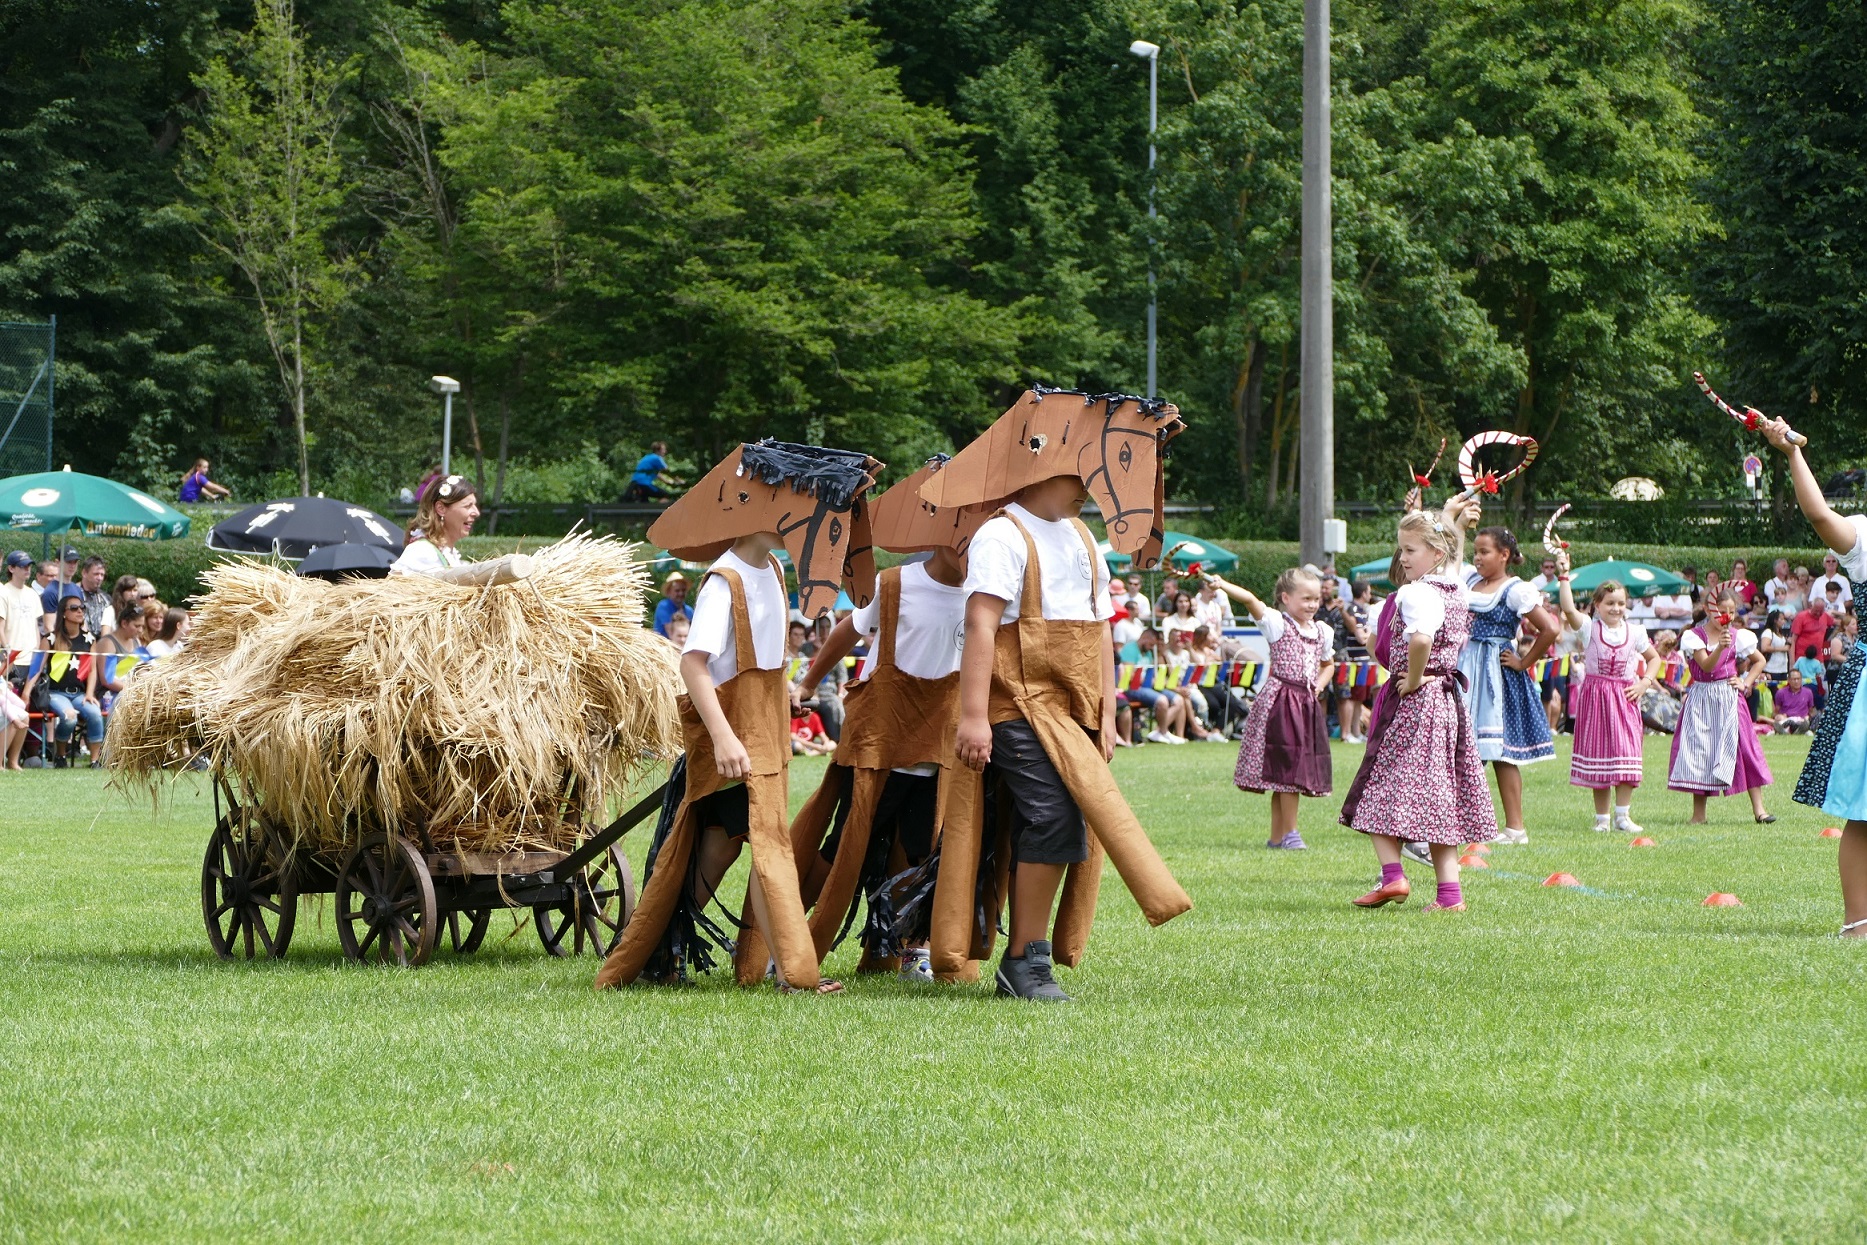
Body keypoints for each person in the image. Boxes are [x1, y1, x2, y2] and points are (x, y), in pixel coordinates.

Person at [954, 472, 1191, 1000]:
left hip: (1074, 711)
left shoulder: (1083, 537)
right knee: (1052, 816)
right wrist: (973, 715)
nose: (1090, 485)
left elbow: (1100, 627)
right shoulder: (1003, 535)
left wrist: (1106, 714)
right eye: (1077, 473)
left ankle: (1026, 954)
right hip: (1015, 703)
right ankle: (1024, 962)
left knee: (1067, 823)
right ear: (1037, 469)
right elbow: (980, 626)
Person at [1339, 497, 1494, 911]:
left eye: (1409, 550)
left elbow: (1421, 639)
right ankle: (1449, 896)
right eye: (1402, 549)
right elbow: (1453, 556)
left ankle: (1393, 877)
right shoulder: (1456, 587)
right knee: (1439, 798)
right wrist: (1448, 519)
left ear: (1433, 554)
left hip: (1417, 702)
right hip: (1447, 703)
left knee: (1378, 790)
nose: (1402, 558)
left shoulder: (1416, 593)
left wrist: (1409, 679)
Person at [1209, 568, 1335, 851]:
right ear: (1286, 598)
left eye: (1316, 599)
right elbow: (1251, 601)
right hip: (1280, 701)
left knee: (1287, 769)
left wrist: (1317, 686)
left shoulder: (1321, 631)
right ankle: (1290, 833)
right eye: (1306, 599)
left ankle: (1277, 838)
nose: (1312, 605)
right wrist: (1222, 583)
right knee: (1287, 768)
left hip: (1304, 703)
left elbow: (1328, 665)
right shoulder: (1278, 624)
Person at [1458, 526, 1560, 845]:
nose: (1477, 558)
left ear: (1504, 555)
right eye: (1475, 551)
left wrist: (1523, 662)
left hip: (1496, 673)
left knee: (1502, 753)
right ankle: (1464, 823)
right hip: (1465, 668)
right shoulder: (1469, 581)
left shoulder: (1516, 589)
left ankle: (1515, 828)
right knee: (1462, 748)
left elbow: (1550, 629)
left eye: (1484, 552)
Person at [1554, 559, 1661, 832]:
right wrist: (1564, 575)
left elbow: (1654, 659)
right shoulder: (1590, 627)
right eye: (1610, 603)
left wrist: (1644, 683)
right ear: (1597, 605)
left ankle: (1623, 816)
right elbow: (1567, 608)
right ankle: (1602, 819)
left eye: (1620, 603)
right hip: (1596, 698)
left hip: (1625, 697)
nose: (1616, 608)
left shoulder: (1635, 631)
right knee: (1599, 756)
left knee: (1627, 753)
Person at [1668, 587, 1774, 823]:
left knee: (1745, 748)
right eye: (1720, 611)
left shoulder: (1739, 635)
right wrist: (1719, 647)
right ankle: (1699, 815)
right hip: (1703, 697)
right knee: (1701, 751)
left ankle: (1760, 810)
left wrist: (1745, 682)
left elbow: (1760, 660)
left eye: (1731, 611)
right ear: (1707, 609)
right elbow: (1706, 666)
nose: (1725, 616)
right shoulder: (1694, 636)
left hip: (1729, 697)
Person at [45, 594, 102, 767]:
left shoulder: (89, 639)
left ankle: (94, 760)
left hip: (80, 693)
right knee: (69, 717)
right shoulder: (51, 639)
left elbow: (92, 670)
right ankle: (60, 755)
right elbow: (38, 668)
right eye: (74, 608)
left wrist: (90, 693)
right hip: (55, 693)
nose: (79, 611)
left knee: (95, 714)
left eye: (81, 608)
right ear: (63, 613)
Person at [391, 475, 477, 575]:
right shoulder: (422, 552)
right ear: (441, 508)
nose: (476, 512)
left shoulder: (447, 553)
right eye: (467, 506)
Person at [1773, 668, 1816, 734]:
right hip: (1787, 720)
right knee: (1781, 723)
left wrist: (1808, 718)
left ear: (1801, 679)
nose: (1796, 681)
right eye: (1794, 679)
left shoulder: (1808, 692)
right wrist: (1779, 716)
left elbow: (1811, 712)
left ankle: (1797, 732)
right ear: (1789, 680)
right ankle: (1788, 733)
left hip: (1801, 721)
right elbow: (1775, 712)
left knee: (1808, 732)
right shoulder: (1781, 692)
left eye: (1798, 679)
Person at [76, 557, 111, 637]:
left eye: (102, 575)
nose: (99, 578)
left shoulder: (106, 599)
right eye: (96, 574)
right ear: (84, 573)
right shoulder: (73, 595)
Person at [1792, 596, 1831, 663]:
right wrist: (1792, 662)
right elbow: (1792, 640)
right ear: (1811, 607)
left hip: (1818, 658)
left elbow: (1840, 623)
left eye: (1820, 611)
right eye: (1816, 611)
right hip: (1802, 658)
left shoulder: (1825, 616)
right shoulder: (1801, 617)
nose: (1818, 614)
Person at [652, 571, 690, 636]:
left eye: (683, 590)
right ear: (669, 592)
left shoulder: (689, 611)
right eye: (677, 591)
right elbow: (672, 634)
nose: (681, 593)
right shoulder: (663, 607)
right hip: (663, 645)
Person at [1759, 610, 1792, 681]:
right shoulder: (1768, 632)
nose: (1784, 622)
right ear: (1775, 620)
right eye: (1782, 619)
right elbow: (1764, 648)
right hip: (1771, 669)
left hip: (1783, 669)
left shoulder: (1782, 634)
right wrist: (1782, 649)